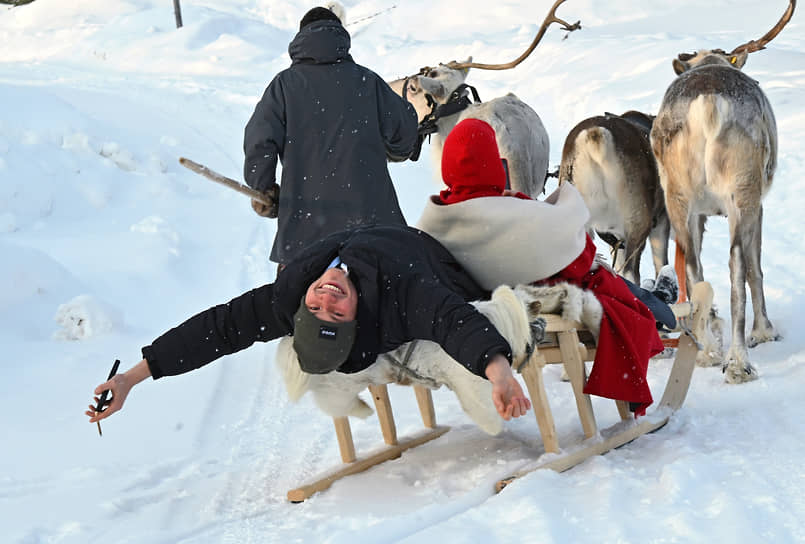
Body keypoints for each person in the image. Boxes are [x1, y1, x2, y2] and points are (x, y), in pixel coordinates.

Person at [86, 225, 531, 426]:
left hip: (394, 239)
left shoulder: (293, 293)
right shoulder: (402, 296)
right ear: (357, 318)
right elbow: (452, 321)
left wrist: (132, 375)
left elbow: (219, 328)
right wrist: (499, 371)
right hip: (433, 261)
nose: (326, 298)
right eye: (336, 313)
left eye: (316, 308)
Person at [416, 118, 673, 416]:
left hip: (488, 309)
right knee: (608, 284)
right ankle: (662, 304)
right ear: (492, 162)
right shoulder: (516, 216)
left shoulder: (436, 220)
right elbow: (578, 255)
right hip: (545, 307)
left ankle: (658, 300)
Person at [243, 6, 419, 268]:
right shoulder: (368, 82)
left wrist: (263, 188)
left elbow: (260, 141)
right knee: (385, 303)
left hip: (305, 233)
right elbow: (405, 135)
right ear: (341, 36)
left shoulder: (284, 85)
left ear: (301, 38)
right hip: (375, 229)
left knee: (301, 305)